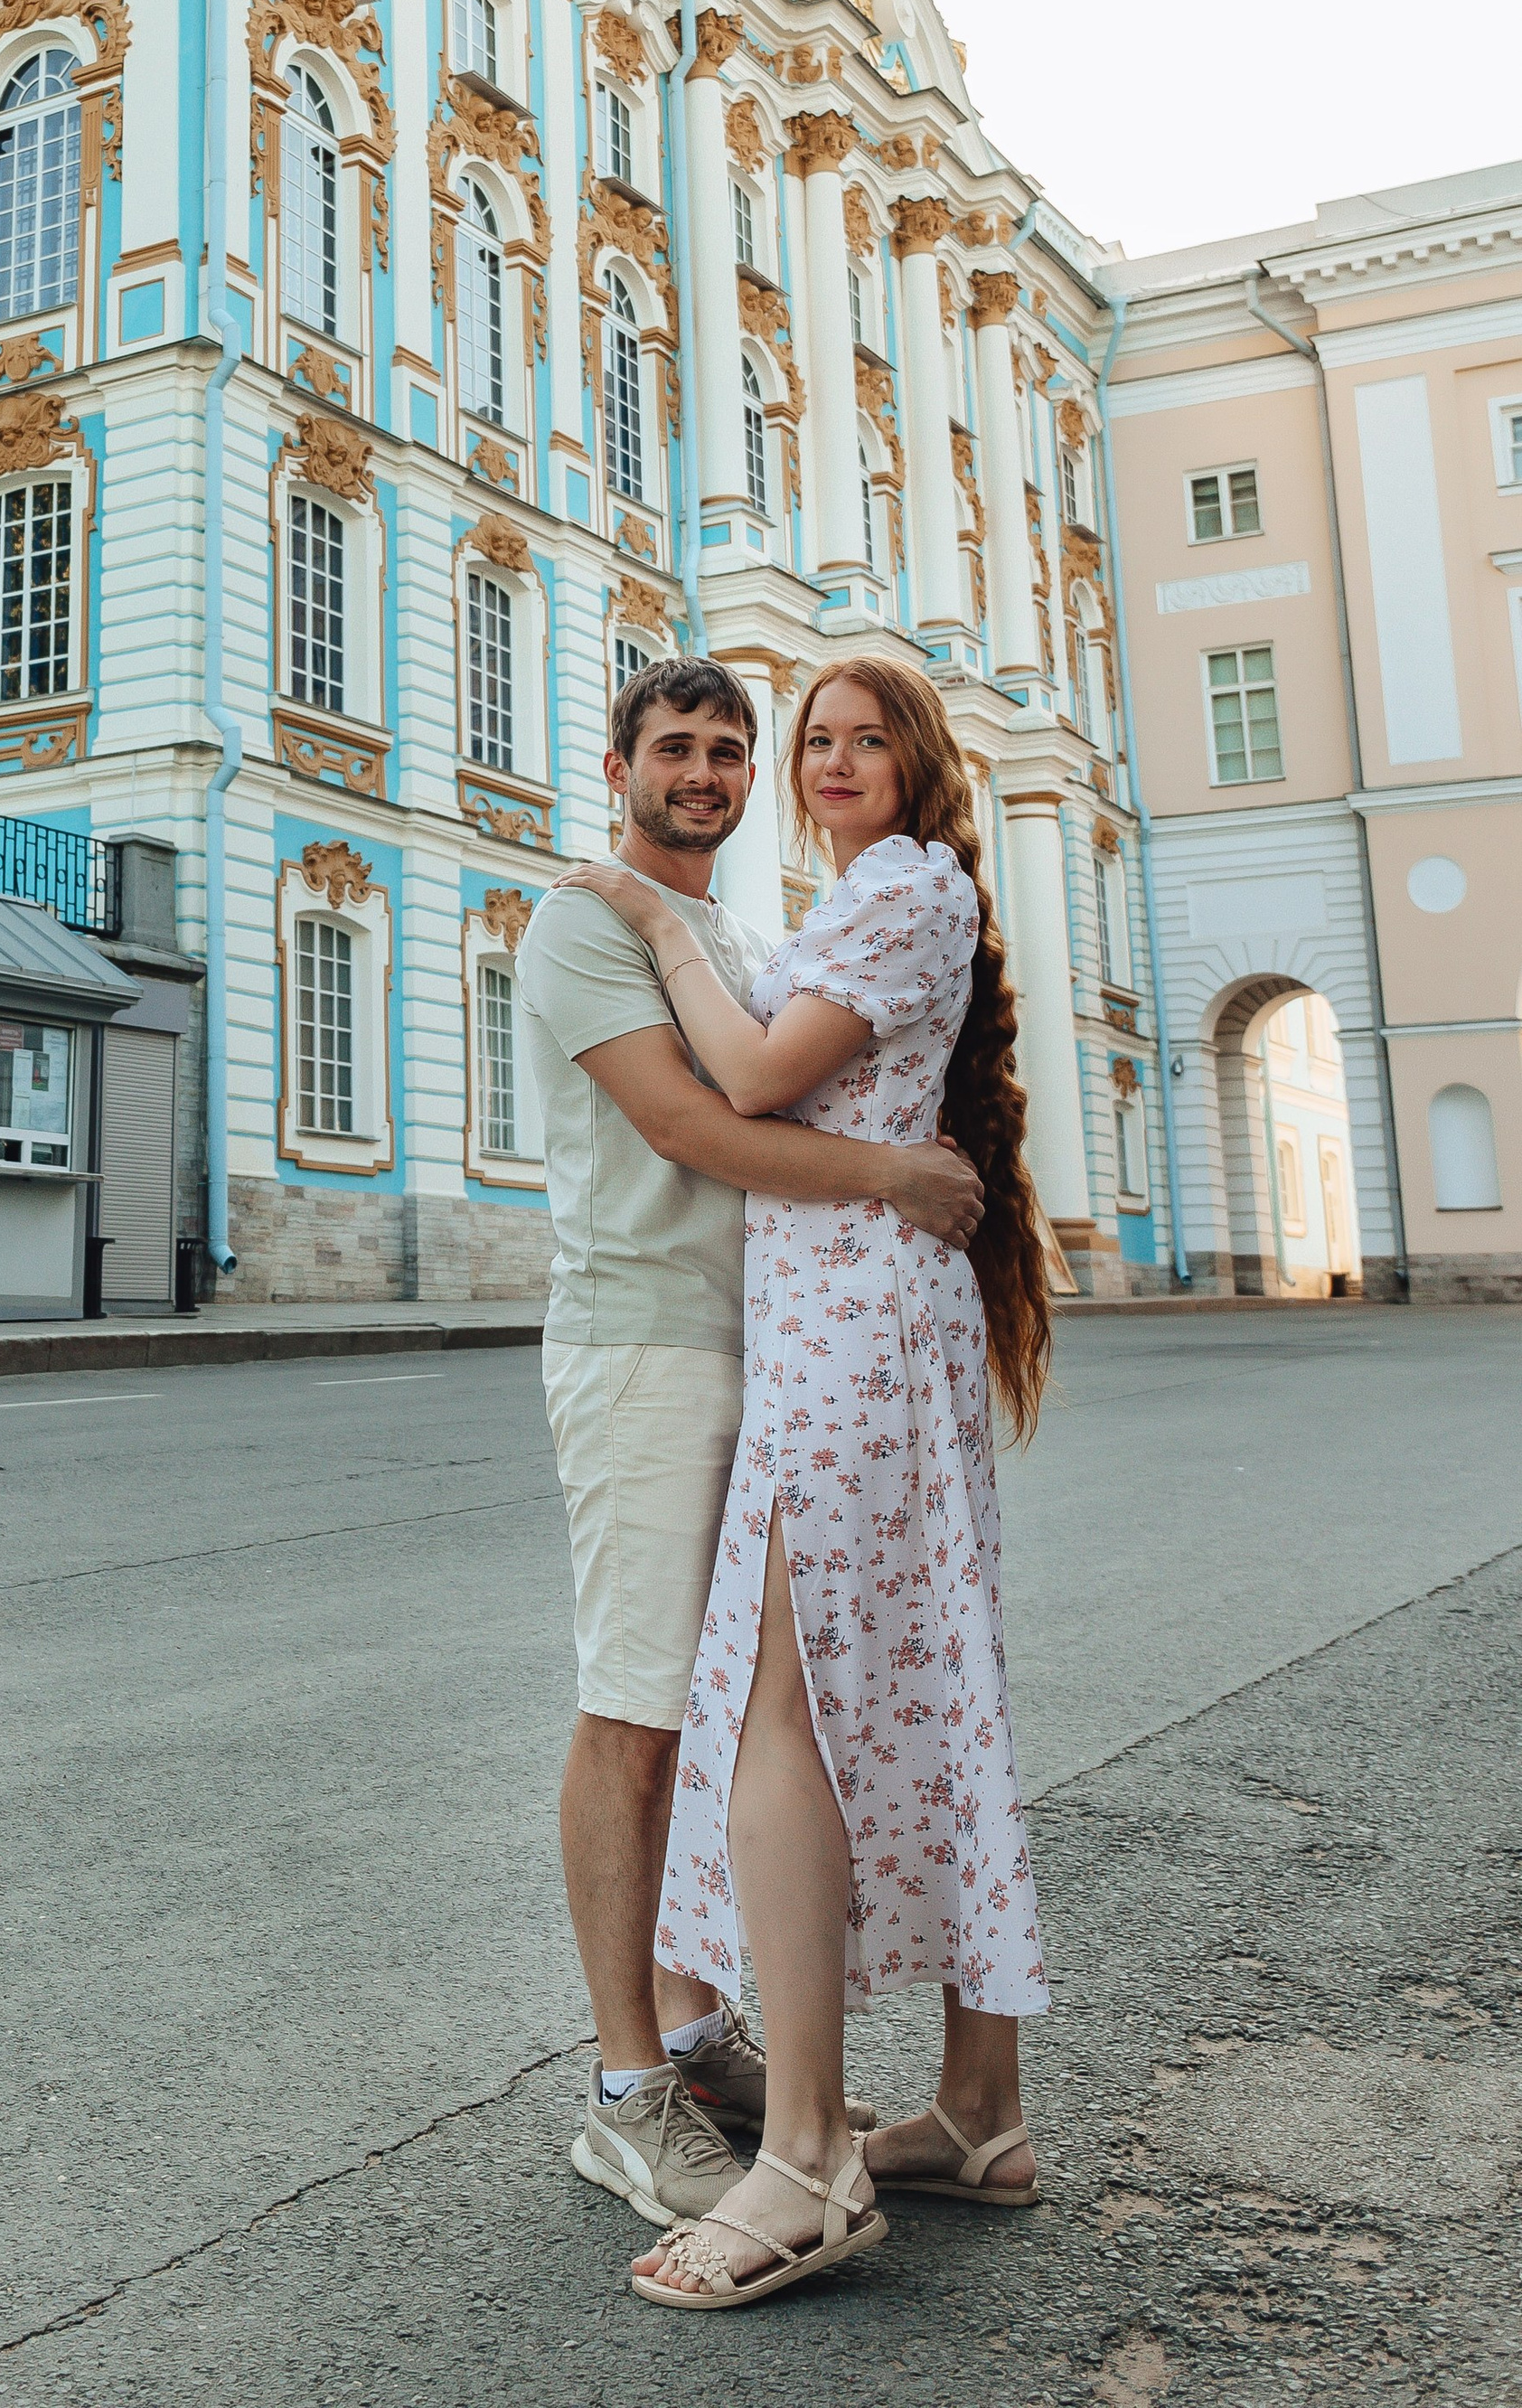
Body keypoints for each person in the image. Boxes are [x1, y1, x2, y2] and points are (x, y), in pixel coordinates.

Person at [557, 654, 1052, 2313]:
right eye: (809, 741)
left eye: (847, 741)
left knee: (785, 1709)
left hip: (831, 1334)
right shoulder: (652, 919)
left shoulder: (864, 899)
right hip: (764, 1332)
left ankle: (807, 2154)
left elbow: (751, 1088)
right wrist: (895, 1171)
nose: (808, 764)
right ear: (619, 757)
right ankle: (956, 2103)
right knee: (866, 1694)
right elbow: (715, 1116)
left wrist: (670, 924)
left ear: (915, 768)